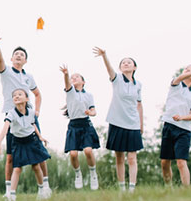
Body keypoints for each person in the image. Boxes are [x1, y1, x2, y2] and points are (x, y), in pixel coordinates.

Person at [0, 33, 52, 197]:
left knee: (39, 153)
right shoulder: (6, 71)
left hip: (28, 116)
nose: (19, 56)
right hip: (13, 117)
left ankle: (45, 186)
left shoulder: (28, 77)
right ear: (11, 59)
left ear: (25, 61)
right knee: (10, 157)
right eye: (16, 54)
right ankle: (8, 191)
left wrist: (37, 111)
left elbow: (38, 94)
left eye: (22, 55)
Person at [93, 47, 143, 192]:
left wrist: (141, 124)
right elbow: (109, 70)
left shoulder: (138, 85)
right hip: (117, 122)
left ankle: (132, 188)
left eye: (129, 62)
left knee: (132, 158)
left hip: (133, 123)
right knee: (119, 157)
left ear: (135, 67)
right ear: (120, 68)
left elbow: (139, 105)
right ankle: (122, 188)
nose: (126, 64)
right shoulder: (117, 79)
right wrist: (104, 56)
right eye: (123, 63)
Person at [0, 88, 51, 201]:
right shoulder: (11, 113)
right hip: (18, 142)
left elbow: (33, 124)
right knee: (17, 169)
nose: (16, 96)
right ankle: (11, 195)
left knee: (36, 166)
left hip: (31, 140)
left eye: (19, 94)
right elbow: (5, 128)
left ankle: (42, 190)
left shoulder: (31, 112)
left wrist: (40, 137)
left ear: (26, 99)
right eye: (14, 95)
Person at [160, 65, 191, 187]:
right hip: (169, 126)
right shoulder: (176, 85)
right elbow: (180, 77)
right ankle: (168, 188)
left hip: (184, 131)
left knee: (181, 161)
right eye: (187, 70)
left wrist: (182, 117)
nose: (189, 71)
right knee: (164, 162)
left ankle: (186, 191)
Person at [59, 64, 100, 190]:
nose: (74, 78)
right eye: (72, 77)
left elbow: (94, 111)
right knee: (73, 154)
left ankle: (93, 174)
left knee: (88, 151)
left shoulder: (89, 95)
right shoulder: (70, 92)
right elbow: (67, 84)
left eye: (77, 77)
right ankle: (78, 174)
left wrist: (90, 113)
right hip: (74, 126)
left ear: (83, 82)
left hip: (86, 125)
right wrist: (66, 74)